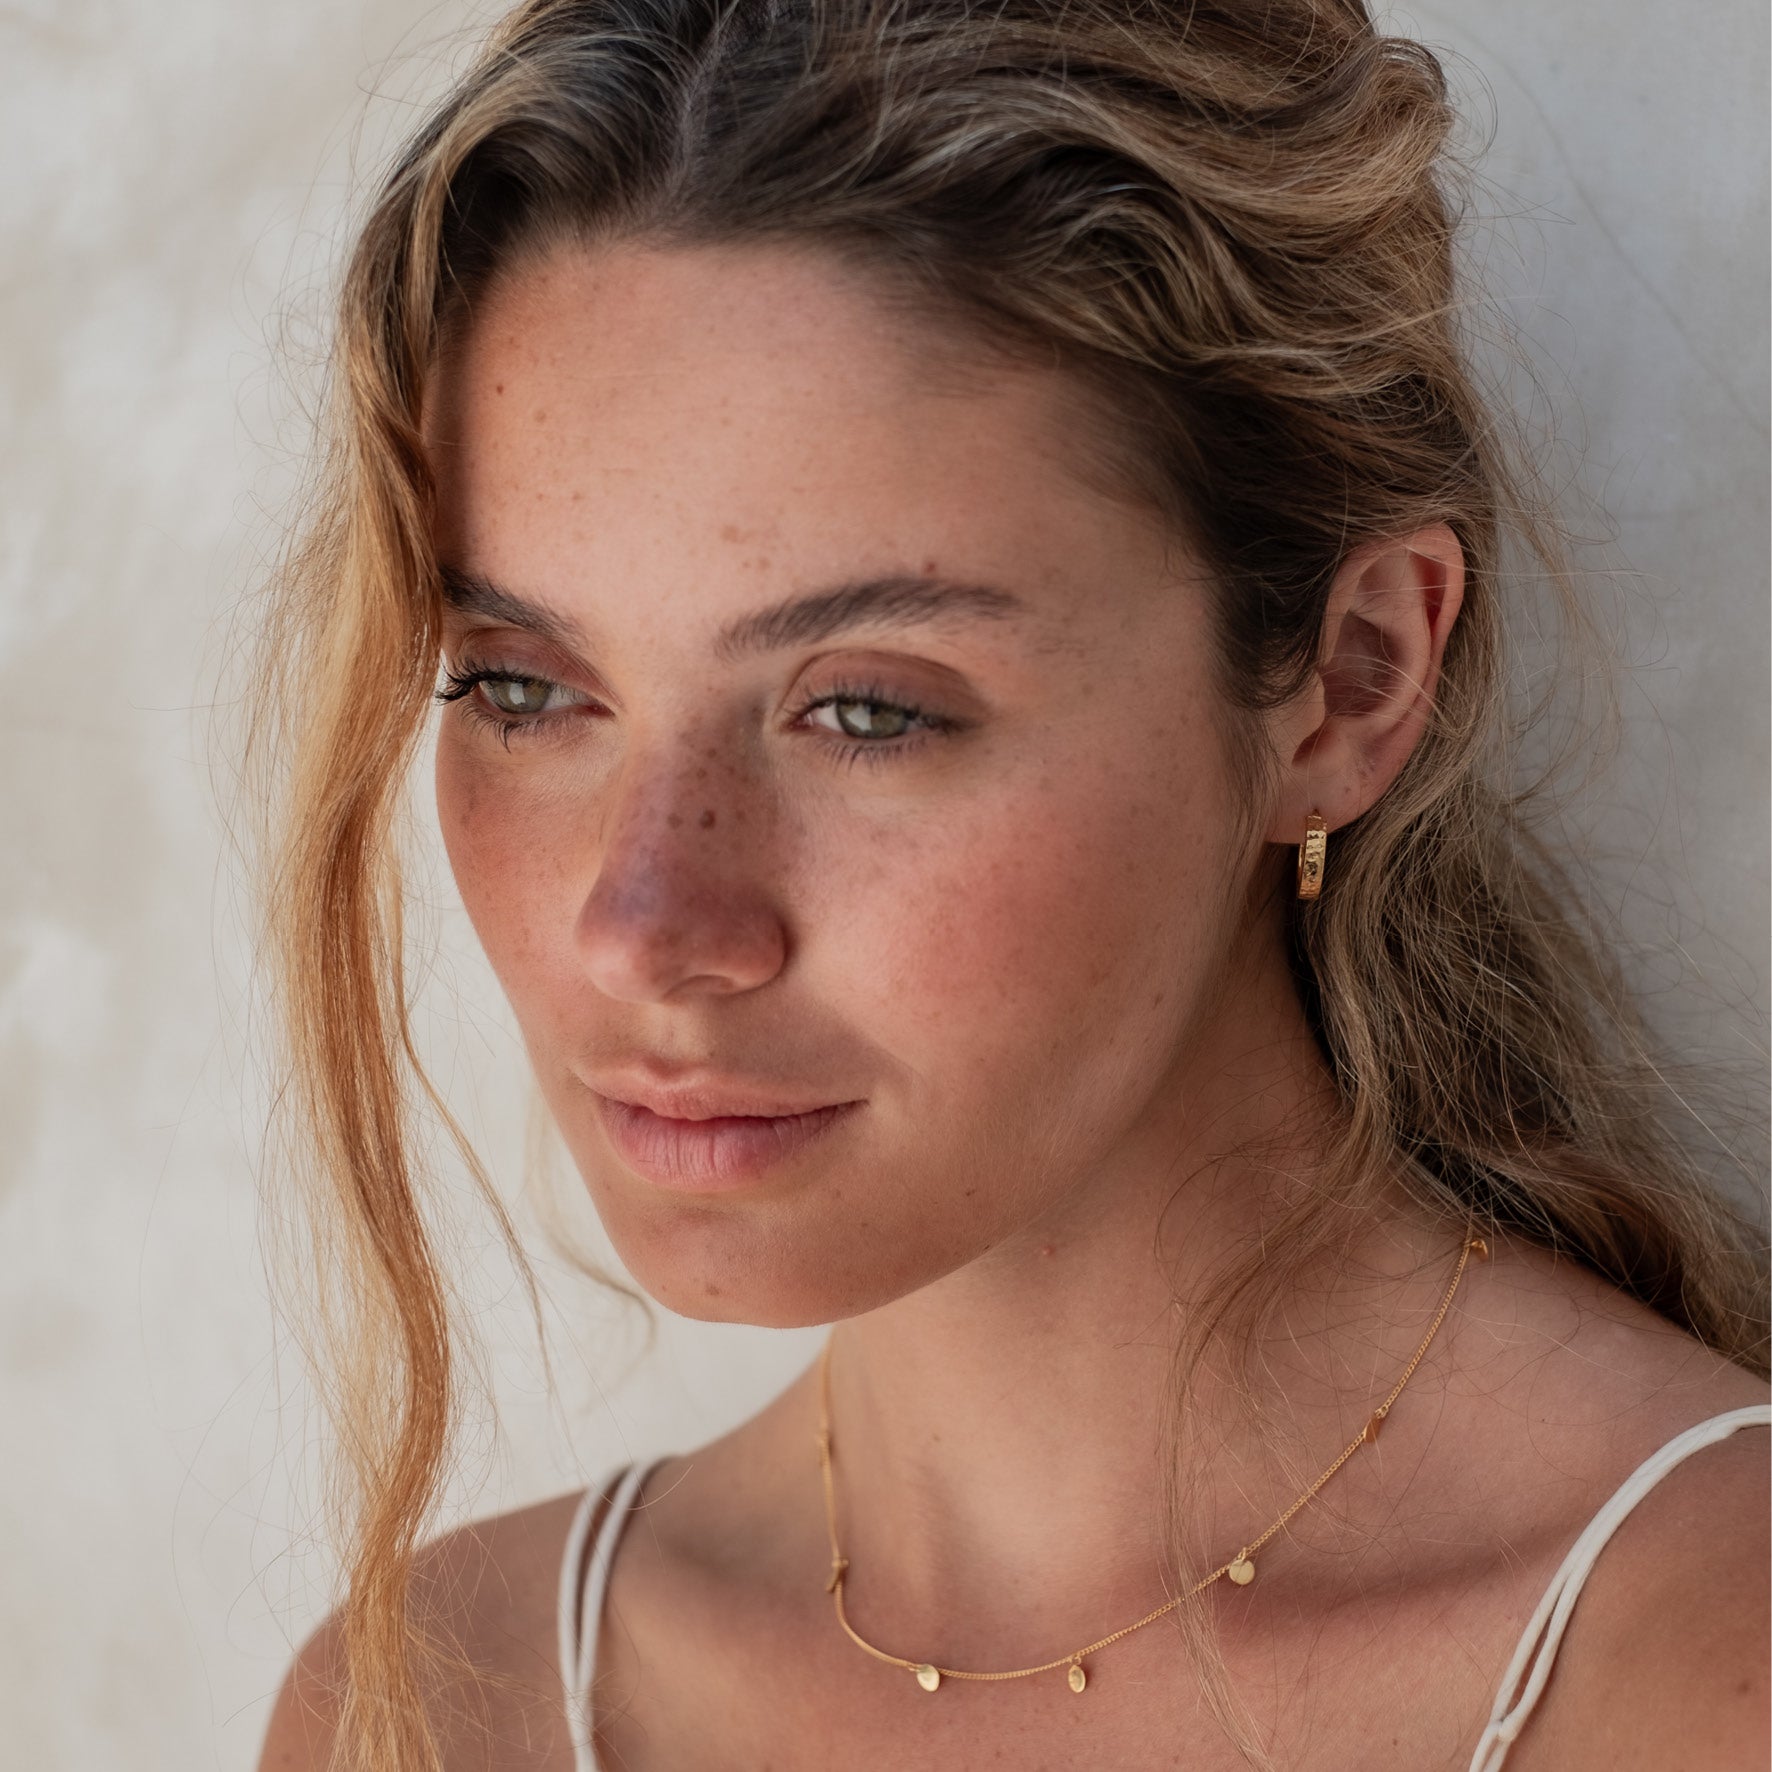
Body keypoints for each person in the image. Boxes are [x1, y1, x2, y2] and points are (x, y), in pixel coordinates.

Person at [250, 0, 1770, 1767]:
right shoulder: (446, 1706)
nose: (643, 925)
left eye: (868, 711)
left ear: (1352, 680)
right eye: (523, 689)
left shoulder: (1703, 1670)